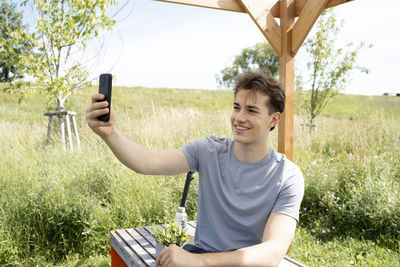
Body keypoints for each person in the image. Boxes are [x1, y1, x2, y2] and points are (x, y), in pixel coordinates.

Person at [86, 69, 304, 267]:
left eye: (252, 110)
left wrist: (200, 261)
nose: (239, 117)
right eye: (236, 107)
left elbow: (272, 252)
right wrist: (110, 133)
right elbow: (147, 162)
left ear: (273, 119)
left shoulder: (288, 176)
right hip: (199, 255)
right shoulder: (208, 151)